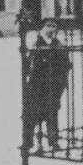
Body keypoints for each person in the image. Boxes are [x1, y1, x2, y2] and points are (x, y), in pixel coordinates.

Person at [23, 17, 72, 153]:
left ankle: (53, 141)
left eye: (54, 26)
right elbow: (29, 64)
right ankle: (28, 142)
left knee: (52, 113)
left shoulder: (58, 44)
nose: (51, 28)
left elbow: (66, 64)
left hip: (53, 85)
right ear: (42, 28)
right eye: (48, 25)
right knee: (32, 114)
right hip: (38, 85)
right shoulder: (36, 44)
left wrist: (61, 80)